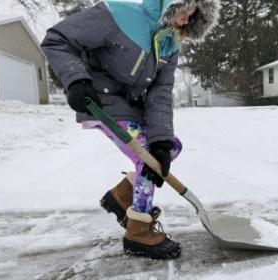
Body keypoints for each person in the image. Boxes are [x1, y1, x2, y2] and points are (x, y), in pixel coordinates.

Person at [41, 0, 219, 259]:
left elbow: (160, 94)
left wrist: (161, 139)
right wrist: (77, 80)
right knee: (146, 156)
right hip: (100, 100)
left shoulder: (170, 44)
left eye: (191, 18)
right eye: (182, 12)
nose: (183, 22)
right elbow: (57, 39)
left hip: (131, 107)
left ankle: (121, 198)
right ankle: (138, 232)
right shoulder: (118, 15)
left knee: (168, 148)